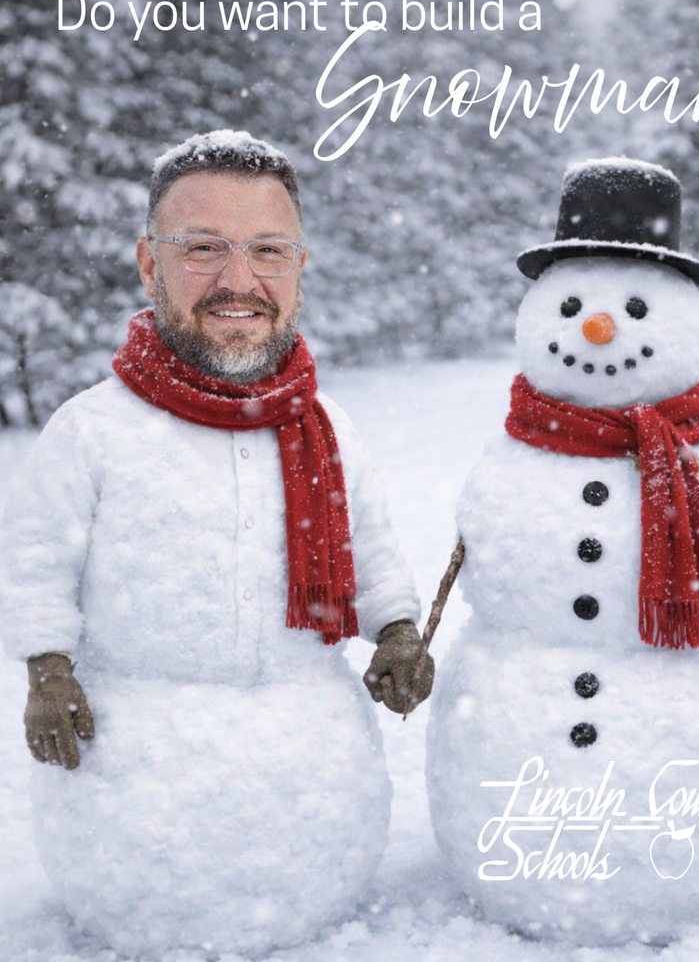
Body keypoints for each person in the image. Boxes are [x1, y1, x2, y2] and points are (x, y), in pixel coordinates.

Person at [0, 129, 434, 954]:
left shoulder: (328, 430)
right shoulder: (92, 432)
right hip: (133, 816)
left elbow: (374, 556)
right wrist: (46, 669)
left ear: (299, 265)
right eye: (203, 248)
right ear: (147, 263)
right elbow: (32, 571)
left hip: (316, 824)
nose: (239, 281)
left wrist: (398, 630)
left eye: (267, 249)